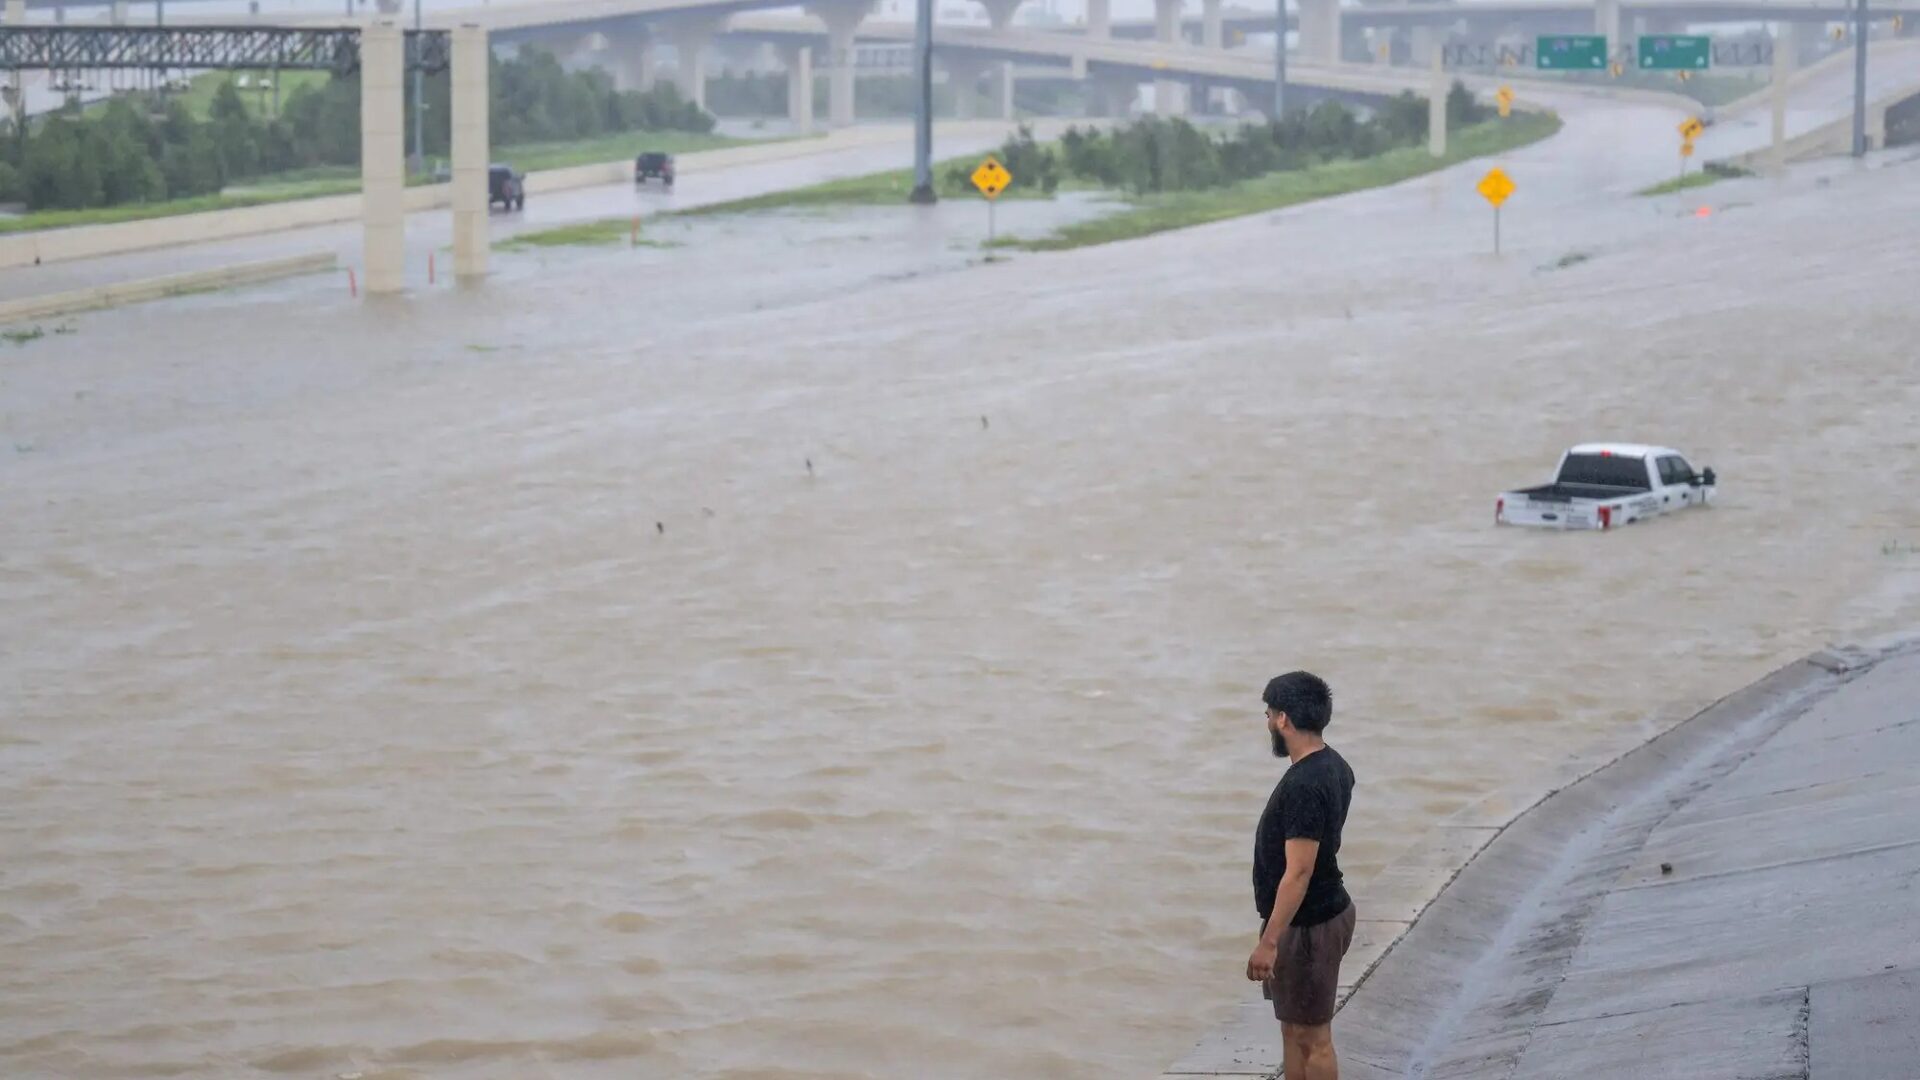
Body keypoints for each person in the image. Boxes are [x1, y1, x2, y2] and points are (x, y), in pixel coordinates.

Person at [1246, 671, 1357, 1080]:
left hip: (1309, 925)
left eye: (1269, 713)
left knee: (1313, 1037)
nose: (1268, 721)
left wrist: (1269, 942)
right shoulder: (1334, 765)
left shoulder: (1305, 785)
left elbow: (1299, 872)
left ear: (1283, 720)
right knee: (1293, 1030)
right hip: (1316, 916)